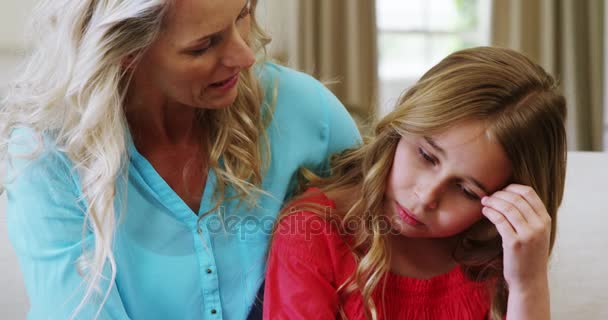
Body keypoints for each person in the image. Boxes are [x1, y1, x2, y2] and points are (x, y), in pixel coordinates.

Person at [0, 0, 360, 319]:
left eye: (243, 15)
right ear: (128, 51)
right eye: (204, 45)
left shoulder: (306, 113)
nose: (245, 56)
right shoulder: (47, 158)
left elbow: (386, 261)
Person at [263, 46, 567, 320]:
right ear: (403, 124)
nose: (426, 197)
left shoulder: (490, 256)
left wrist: (529, 284)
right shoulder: (313, 232)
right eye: (426, 156)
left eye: (466, 190)